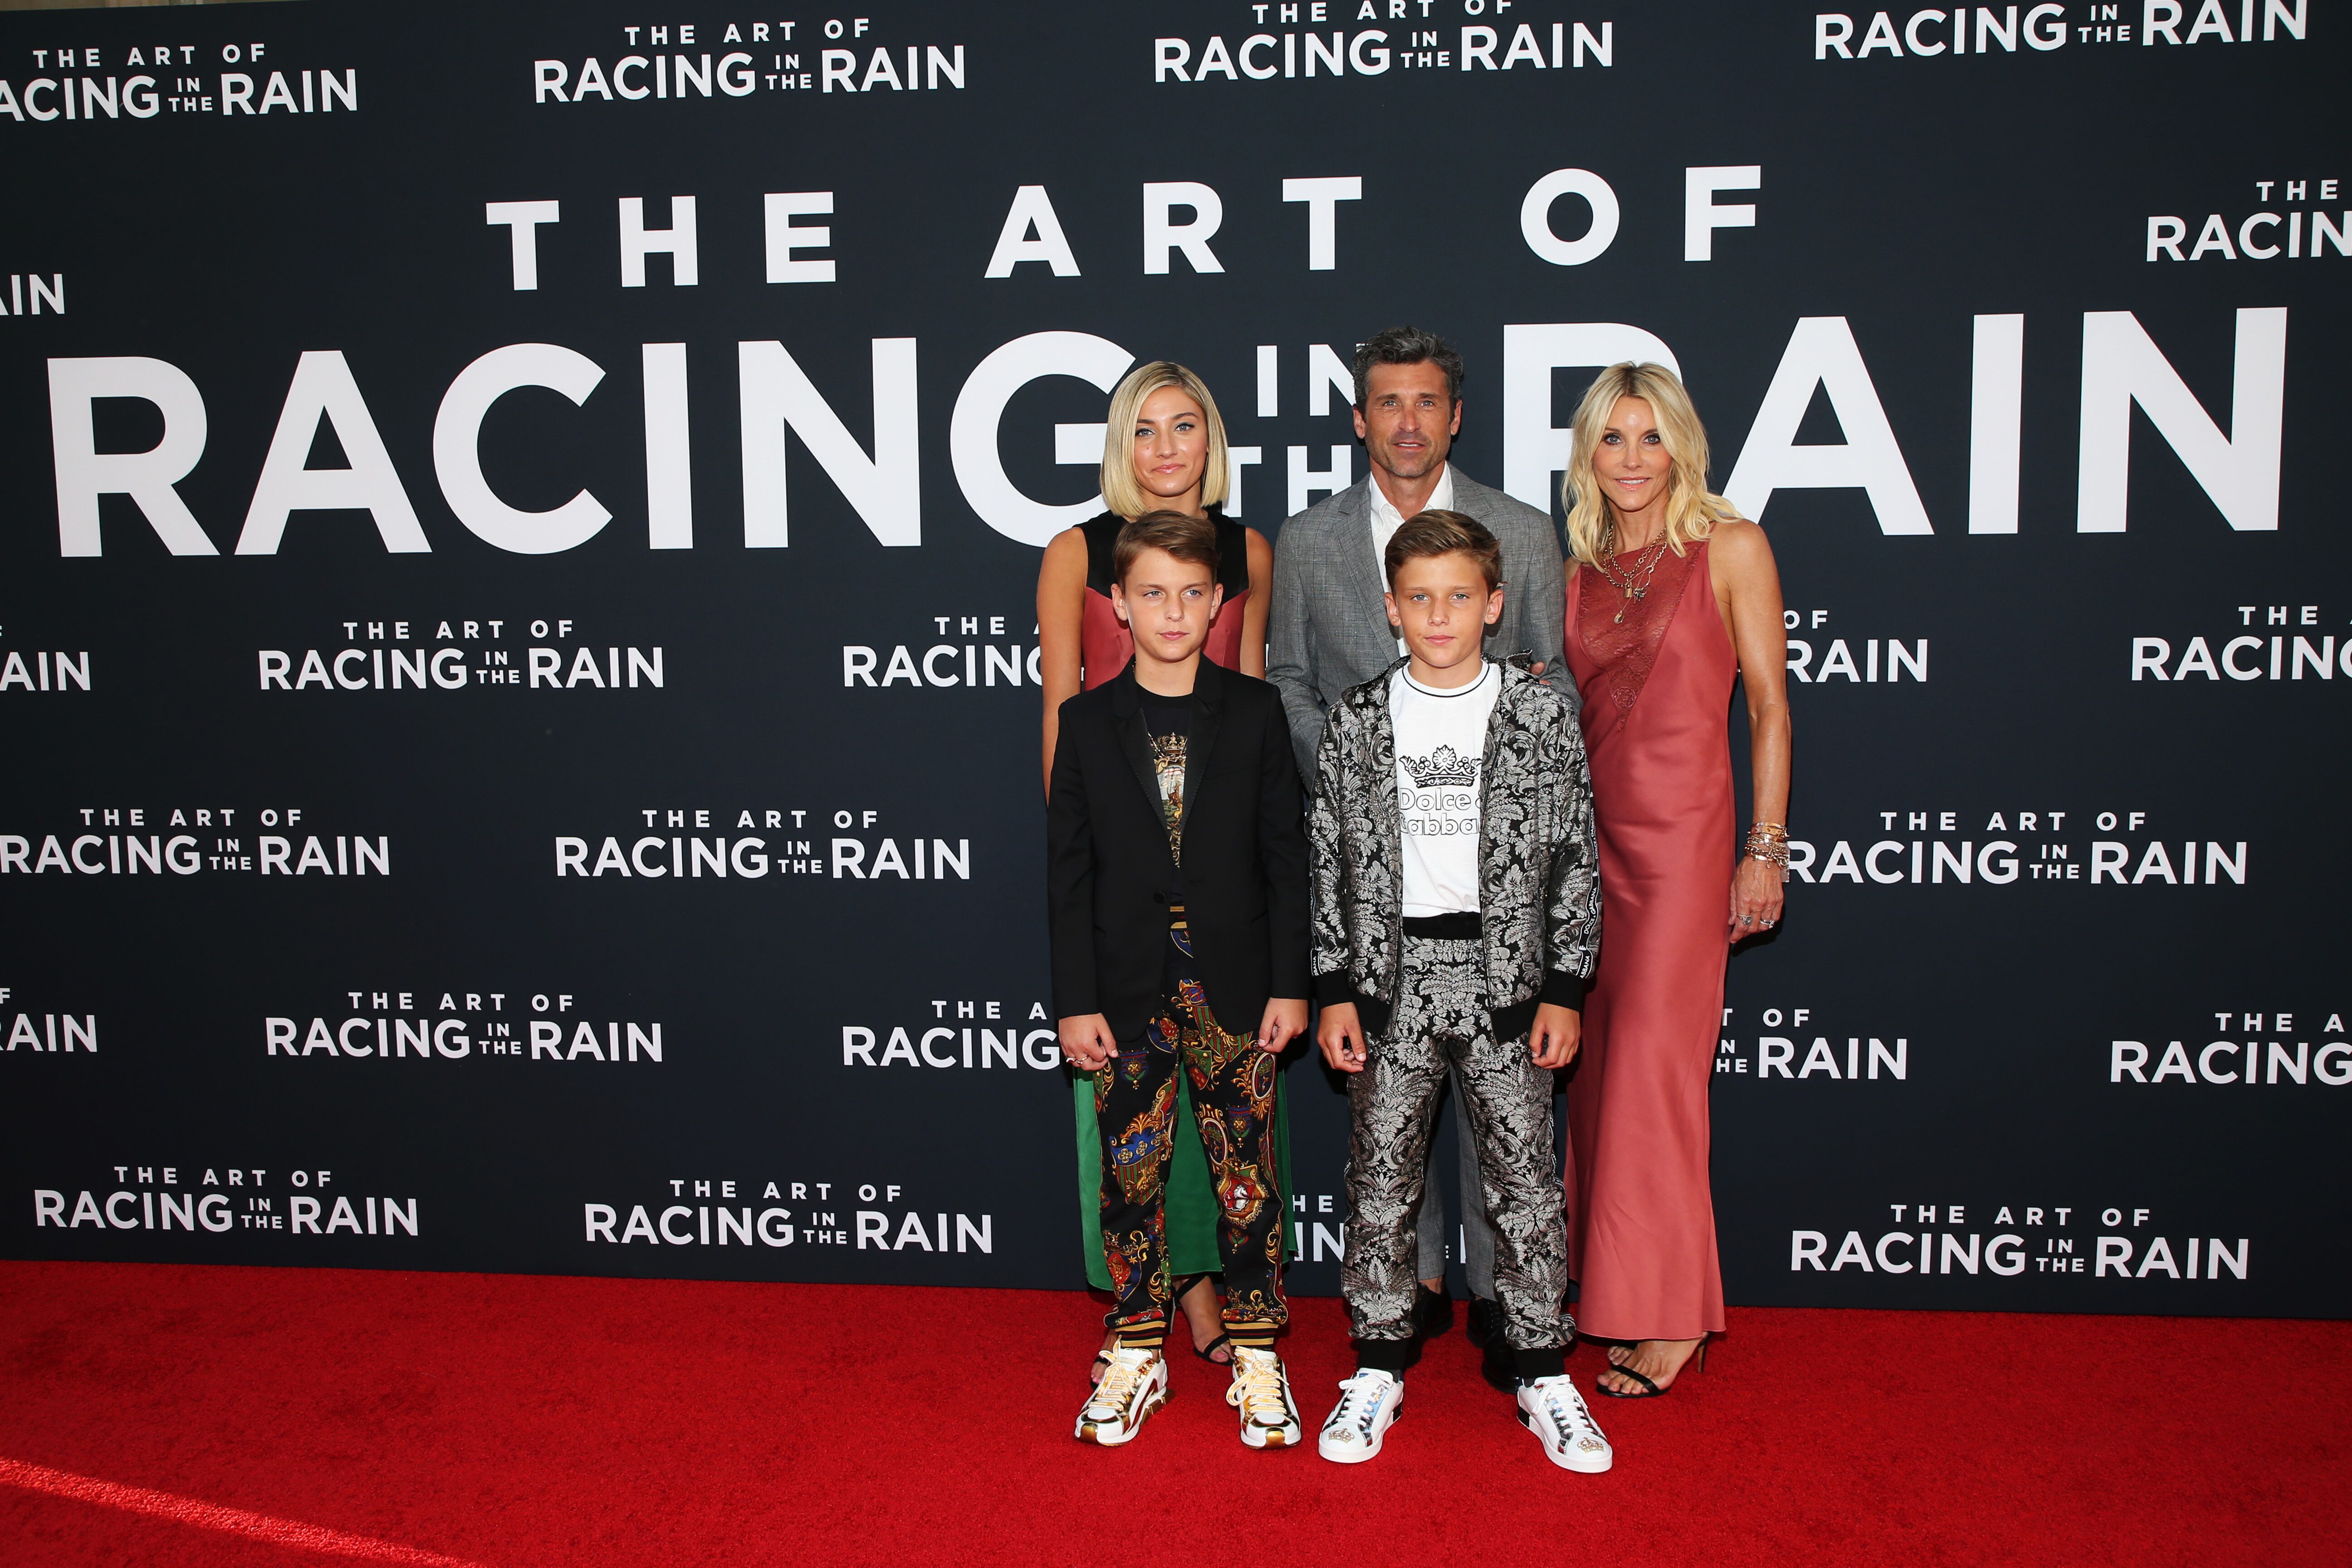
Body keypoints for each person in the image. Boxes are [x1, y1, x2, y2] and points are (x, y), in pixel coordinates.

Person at [1268, 325, 1570, 1383]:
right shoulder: (1305, 543)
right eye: (1386, 402)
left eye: (1426, 402)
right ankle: (1411, 1298)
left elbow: (1550, 681)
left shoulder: (1525, 533)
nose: (1406, 421)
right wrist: (1362, 772)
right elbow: (1291, 679)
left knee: (1511, 1117)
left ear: (1454, 414)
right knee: (1387, 1122)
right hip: (1370, 869)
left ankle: (1503, 1294)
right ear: (1360, 418)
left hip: (1488, 887)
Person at [1307, 512, 1611, 1473]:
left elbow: (1573, 857)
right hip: (1391, 979)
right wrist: (1335, 986)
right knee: (1382, 1180)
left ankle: (1538, 1366)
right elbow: (1329, 861)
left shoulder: (1538, 715)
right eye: (1420, 598)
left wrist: (1563, 987)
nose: (1440, 615)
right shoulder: (1358, 719)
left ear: (1495, 603)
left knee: (1523, 1183)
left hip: (1506, 982)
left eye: (1459, 596)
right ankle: (1380, 1361)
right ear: (1392, 610)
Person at [1035, 362, 1281, 1383]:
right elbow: (1061, 706)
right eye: (1145, 430)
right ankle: (1161, 1306)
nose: (1167, 449)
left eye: (1187, 426)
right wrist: (1081, 864)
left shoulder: (1248, 549)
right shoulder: (1075, 550)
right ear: (1121, 446)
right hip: (1121, 868)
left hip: (1222, 882)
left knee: (1238, 1123)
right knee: (1130, 1116)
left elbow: (1254, 687)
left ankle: (1225, 1299)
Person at [1048, 511, 1311, 1449]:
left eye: (1192, 593)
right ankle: (1135, 1345)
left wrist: (1293, 983)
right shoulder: (1083, 724)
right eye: (1152, 592)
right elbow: (1068, 874)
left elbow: (1287, 859)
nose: (1173, 610)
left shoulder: (1254, 712)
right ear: (1117, 603)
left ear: (1218, 605)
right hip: (1120, 993)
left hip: (1237, 984)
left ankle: (1256, 1351)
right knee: (1131, 1177)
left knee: (1248, 1176)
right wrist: (1075, 999)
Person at [1556, 363, 1791, 1400]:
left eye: (1652, 439)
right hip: (1589, 856)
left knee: (1656, 1078)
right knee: (1600, 1083)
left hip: (1688, 850)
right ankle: (1606, 1289)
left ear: (1682, 446)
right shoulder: (1573, 570)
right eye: (1615, 440)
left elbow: (1771, 712)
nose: (1634, 460)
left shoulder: (1730, 547)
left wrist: (1765, 847)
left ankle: (1675, 1315)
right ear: (1590, 454)